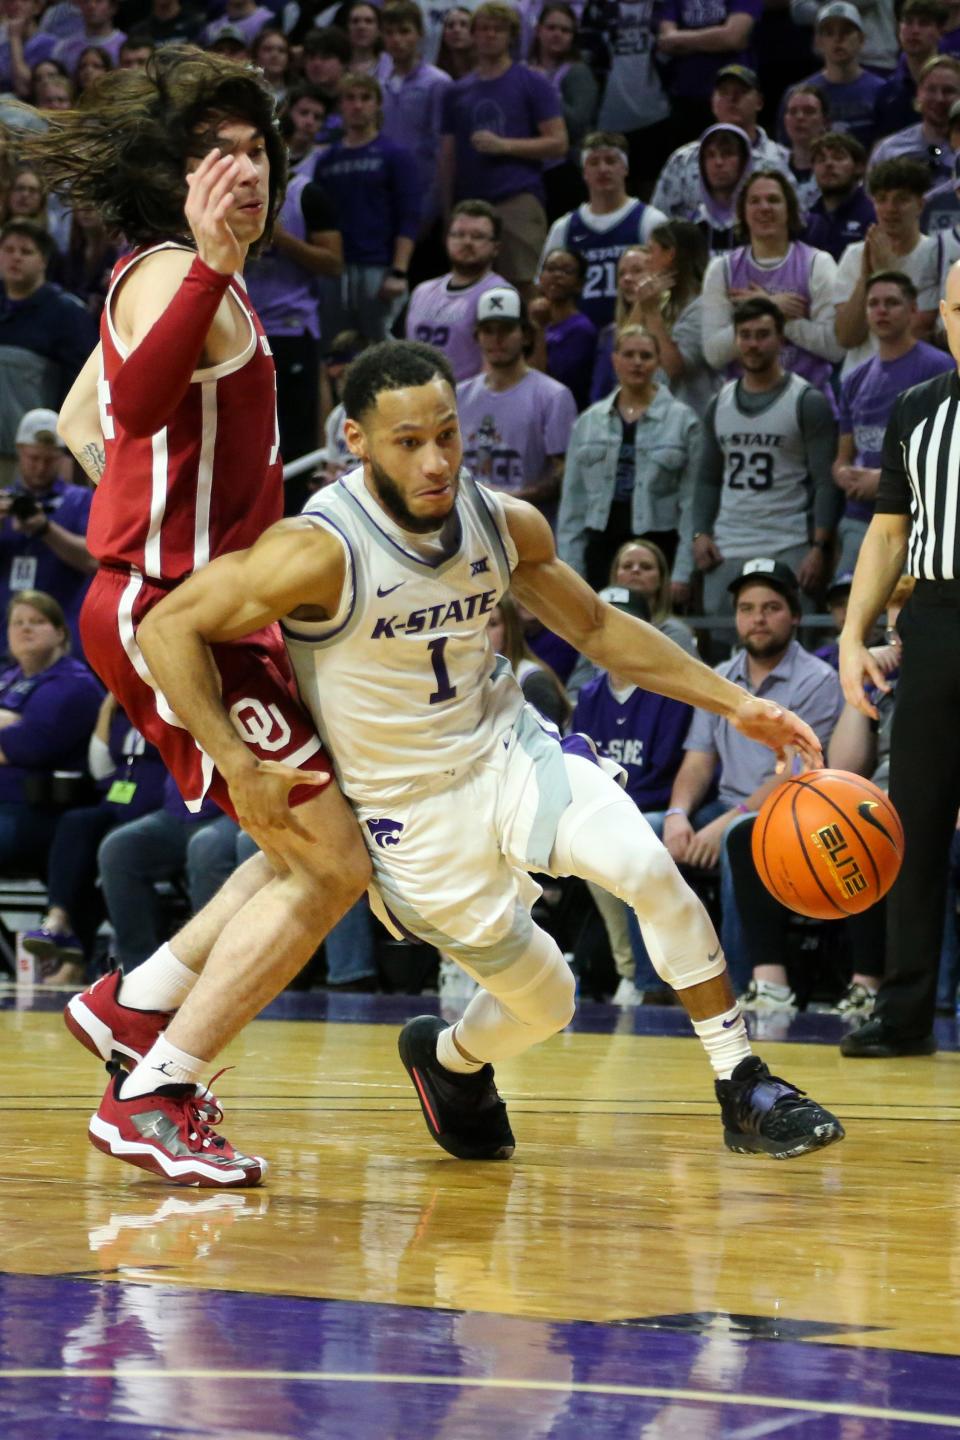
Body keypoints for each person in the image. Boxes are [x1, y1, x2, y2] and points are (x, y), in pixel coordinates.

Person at [136, 337, 845, 1167]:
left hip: (507, 751)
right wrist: (236, 761)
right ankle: (448, 1061)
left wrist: (739, 702)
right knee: (548, 1004)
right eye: (409, 442)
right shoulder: (318, 549)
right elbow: (165, 627)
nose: (437, 460)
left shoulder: (499, 520)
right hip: (409, 814)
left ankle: (744, 1085)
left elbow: (597, 627)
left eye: (448, 434)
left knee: (648, 868)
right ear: (357, 441)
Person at [20, 45, 369, 1185]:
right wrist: (155, 548)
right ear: (173, 172)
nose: (246, 169)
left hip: (195, 606)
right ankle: (157, 1091)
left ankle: (138, 1002)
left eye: (258, 148)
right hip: (171, 617)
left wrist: (154, 505)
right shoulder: (182, 275)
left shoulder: (162, 273)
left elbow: (86, 420)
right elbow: (130, 398)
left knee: (302, 848)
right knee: (328, 863)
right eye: (216, 152)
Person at [837, 257, 960, 1059]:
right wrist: (852, 636)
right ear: (942, 317)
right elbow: (888, 532)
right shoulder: (918, 409)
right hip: (941, 619)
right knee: (912, 821)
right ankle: (904, 1012)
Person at [656, 558, 843, 999]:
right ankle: (651, 984)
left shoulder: (819, 680)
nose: (757, 618)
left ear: (795, 614)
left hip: (791, 814)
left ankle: (738, 988)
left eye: (771, 607)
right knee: (643, 834)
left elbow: (799, 773)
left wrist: (726, 821)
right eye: (746, 608)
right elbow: (698, 760)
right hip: (723, 806)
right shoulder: (719, 679)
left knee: (738, 836)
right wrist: (678, 814)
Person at [571, 584, 694, 1006]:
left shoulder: (668, 689)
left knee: (621, 845)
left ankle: (646, 979)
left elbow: (664, 770)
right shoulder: (589, 694)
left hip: (655, 808)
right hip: (609, 807)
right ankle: (627, 969)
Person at [693, 298, 839, 615]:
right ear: (735, 339)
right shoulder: (719, 402)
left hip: (788, 542)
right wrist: (700, 532)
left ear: (780, 338)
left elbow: (826, 482)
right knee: (722, 648)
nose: (753, 344)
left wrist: (819, 548)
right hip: (728, 545)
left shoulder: (807, 400)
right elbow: (706, 479)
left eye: (762, 334)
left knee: (792, 639)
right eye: (745, 335)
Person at [20, 691, 167, 984]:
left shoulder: (171, 706)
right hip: (116, 802)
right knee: (76, 824)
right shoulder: (125, 709)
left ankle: (80, 953)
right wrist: (107, 708)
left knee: (109, 855)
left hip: (156, 808)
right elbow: (100, 768)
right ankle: (58, 921)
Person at [558, 324, 700, 593]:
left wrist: (683, 571)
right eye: (629, 354)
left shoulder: (683, 420)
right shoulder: (588, 422)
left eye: (646, 356)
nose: (637, 363)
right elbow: (573, 505)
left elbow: (691, 504)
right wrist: (571, 572)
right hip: (601, 546)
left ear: (658, 362)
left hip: (660, 543)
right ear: (615, 360)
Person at [439, 2, 568, 295]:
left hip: (516, 197)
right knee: (470, 289)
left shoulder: (532, 82)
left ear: (511, 36)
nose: (489, 35)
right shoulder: (457, 91)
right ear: (473, 35)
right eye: (483, 29)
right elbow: (447, 156)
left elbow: (558, 143)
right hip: (469, 204)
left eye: (497, 29)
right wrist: (447, 211)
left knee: (525, 286)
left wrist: (504, 145)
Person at [834, 270, 953, 574]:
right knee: (846, 611)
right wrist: (845, 475)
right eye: (873, 304)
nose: (881, 310)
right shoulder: (854, 378)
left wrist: (886, 480)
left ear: (913, 310)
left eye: (891, 303)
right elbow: (843, 456)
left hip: (917, 520)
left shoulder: (939, 368)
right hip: (859, 518)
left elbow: (950, 450)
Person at [701, 170, 842, 399]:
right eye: (754, 201)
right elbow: (714, 353)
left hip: (808, 402)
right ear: (742, 212)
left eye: (774, 200)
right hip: (743, 403)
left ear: (790, 209)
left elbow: (834, 347)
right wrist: (771, 307)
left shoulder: (818, 263)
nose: (764, 208)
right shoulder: (721, 269)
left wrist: (766, 310)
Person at [0, 588, 102, 875]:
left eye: (37, 620)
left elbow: (29, 745)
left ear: (60, 633)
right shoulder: (8, 678)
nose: (25, 628)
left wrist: (14, 728)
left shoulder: (73, 684)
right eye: (17, 622)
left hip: (35, 809)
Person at [313, 72, 420, 343]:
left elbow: (409, 215)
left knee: (382, 349)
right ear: (341, 106)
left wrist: (399, 271)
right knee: (335, 350)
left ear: (377, 105)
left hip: (379, 268)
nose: (357, 105)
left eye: (365, 98)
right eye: (350, 98)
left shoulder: (394, 155)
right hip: (336, 270)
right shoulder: (327, 160)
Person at [456, 286, 576, 511]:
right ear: (477, 337)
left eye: (506, 329)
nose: (497, 339)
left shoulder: (553, 396)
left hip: (527, 526)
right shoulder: (459, 395)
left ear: (526, 335)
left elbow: (565, 474)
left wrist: (510, 500)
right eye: (488, 330)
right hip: (469, 526)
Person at [538, 131, 669, 332]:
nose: (603, 169)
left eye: (611, 161)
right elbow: (544, 287)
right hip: (578, 336)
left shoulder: (651, 220)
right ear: (584, 172)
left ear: (625, 168)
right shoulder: (564, 227)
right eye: (594, 162)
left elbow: (666, 283)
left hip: (635, 335)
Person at [0, 219, 98, 484]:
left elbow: (83, 390)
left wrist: (66, 451)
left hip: (34, 459)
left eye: (26, 251)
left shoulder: (67, 314)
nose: (15, 258)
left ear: (43, 260)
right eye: (8, 249)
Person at [834, 157, 941, 379]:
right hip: (860, 382)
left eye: (901, 200)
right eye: (882, 199)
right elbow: (846, 337)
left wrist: (887, 275)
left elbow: (917, 335)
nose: (890, 209)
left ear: (920, 204)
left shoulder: (937, 254)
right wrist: (867, 276)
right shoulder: (855, 255)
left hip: (916, 383)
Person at [0, 407, 96, 652]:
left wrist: (45, 529)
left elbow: (94, 560)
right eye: (33, 458)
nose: (40, 467)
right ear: (19, 451)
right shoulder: (4, 503)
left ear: (61, 456)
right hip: (5, 635)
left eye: (49, 459)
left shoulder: (81, 500)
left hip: (62, 636)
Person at [651, 65, 789, 222]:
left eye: (741, 92)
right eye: (723, 92)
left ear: (759, 102)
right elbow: (659, 222)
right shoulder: (683, 160)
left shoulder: (783, 159)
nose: (732, 99)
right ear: (712, 103)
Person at [404, 201, 510, 383]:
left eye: (477, 236)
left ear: (496, 248)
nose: (467, 242)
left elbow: (497, 363)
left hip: (465, 401)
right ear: (447, 240)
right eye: (459, 235)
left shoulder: (499, 294)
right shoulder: (422, 291)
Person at [378, 1, 452, 237]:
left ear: (419, 34)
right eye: (390, 33)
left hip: (424, 192)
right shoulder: (380, 85)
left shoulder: (438, 82)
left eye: (404, 31)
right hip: (387, 195)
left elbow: (444, 148)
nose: (397, 40)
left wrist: (437, 204)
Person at [526, 2, 599, 218]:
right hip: (530, 168)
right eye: (551, 28)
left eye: (565, 30)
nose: (557, 34)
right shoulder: (523, 70)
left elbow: (577, 124)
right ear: (538, 31)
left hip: (566, 170)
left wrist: (545, 88)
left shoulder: (578, 72)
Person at [655, 0, 762, 146]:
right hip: (686, 96)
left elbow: (733, 37)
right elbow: (665, 41)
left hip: (734, 93)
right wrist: (718, 39)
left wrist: (680, 39)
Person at [781, 2, 883, 151]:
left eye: (846, 32)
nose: (838, 39)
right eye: (829, 33)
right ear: (818, 42)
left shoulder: (882, 91)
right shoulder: (797, 96)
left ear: (861, 39)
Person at [869, 54, 960, 185]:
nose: (939, 98)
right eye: (931, 90)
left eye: (948, 91)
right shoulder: (890, 149)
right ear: (919, 94)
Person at [486, 591, 570, 727]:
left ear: (510, 628)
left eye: (492, 623)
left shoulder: (534, 681)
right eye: (478, 626)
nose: (482, 632)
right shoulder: (474, 678)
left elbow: (547, 746)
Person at [527, 247, 597, 411]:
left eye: (567, 271)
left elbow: (546, 383)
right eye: (551, 269)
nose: (557, 275)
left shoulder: (581, 330)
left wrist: (539, 330)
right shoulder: (530, 320)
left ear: (579, 284)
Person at [873, 0, 949, 139]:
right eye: (908, 22)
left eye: (924, 23)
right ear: (898, 29)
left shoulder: (954, 83)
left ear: (941, 32)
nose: (915, 31)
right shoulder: (887, 92)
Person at [801, 131, 874, 261]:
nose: (828, 164)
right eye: (821, 159)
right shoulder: (808, 220)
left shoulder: (873, 216)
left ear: (859, 167)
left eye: (838, 158)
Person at [781, 84, 828, 215]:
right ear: (785, 120)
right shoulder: (771, 166)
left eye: (809, 111)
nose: (800, 117)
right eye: (793, 111)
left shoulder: (837, 168)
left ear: (825, 121)